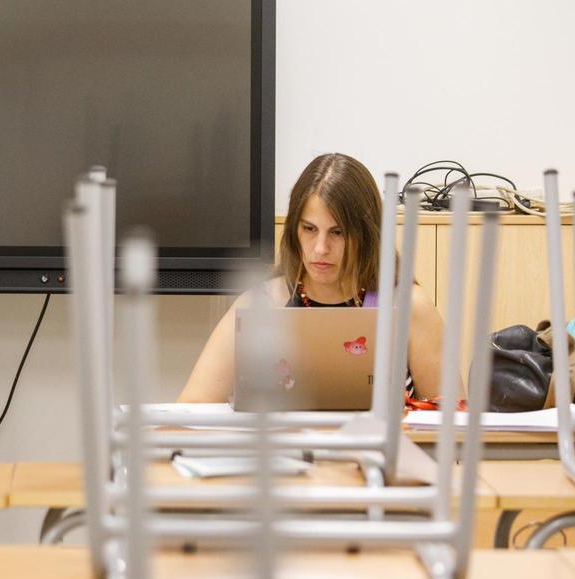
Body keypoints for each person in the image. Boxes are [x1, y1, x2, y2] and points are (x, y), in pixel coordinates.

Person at [177, 153, 446, 404]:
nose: (320, 248)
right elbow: (190, 410)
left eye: (337, 232)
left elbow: (452, 430)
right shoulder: (260, 304)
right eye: (309, 229)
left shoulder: (409, 306)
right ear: (294, 230)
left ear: (366, 235)